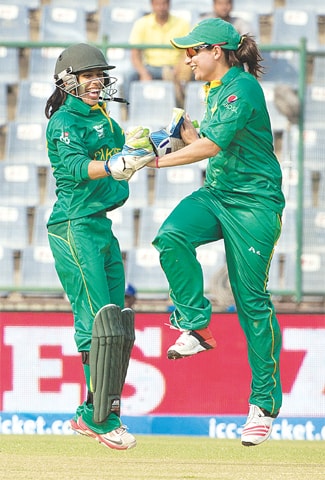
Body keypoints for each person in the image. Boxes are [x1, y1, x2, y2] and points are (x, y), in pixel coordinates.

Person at [146, 18, 285, 447]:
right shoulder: (214, 89)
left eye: (194, 51)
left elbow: (210, 147)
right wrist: (175, 136)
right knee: (170, 236)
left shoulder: (242, 88)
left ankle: (263, 404)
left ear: (218, 52)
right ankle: (196, 325)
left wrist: (152, 163)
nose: (187, 58)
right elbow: (203, 139)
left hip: (255, 204)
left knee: (251, 302)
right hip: (219, 192)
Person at [44, 43, 154, 450]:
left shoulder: (105, 119)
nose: (97, 82)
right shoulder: (63, 122)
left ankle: (94, 413)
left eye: (99, 75)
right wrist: (111, 166)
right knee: (97, 321)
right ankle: (100, 417)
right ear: (68, 81)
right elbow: (75, 167)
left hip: (101, 227)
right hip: (73, 227)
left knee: (119, 323)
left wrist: (158, 144)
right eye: (88, 75)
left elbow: (129, 156)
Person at [125, 0, 192, 107]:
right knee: (129, 75)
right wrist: (143, 73)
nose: (161, 7)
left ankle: (185, 111)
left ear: (169, 4)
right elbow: (134, 55)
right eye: (157, 4)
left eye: (164, 3)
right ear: (152, 5)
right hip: (150, 67)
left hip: (174, 67)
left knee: (193, 75)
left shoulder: (182, 24)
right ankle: (129, 112)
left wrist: (178, 69)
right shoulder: (141, 23)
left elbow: (187, 52)